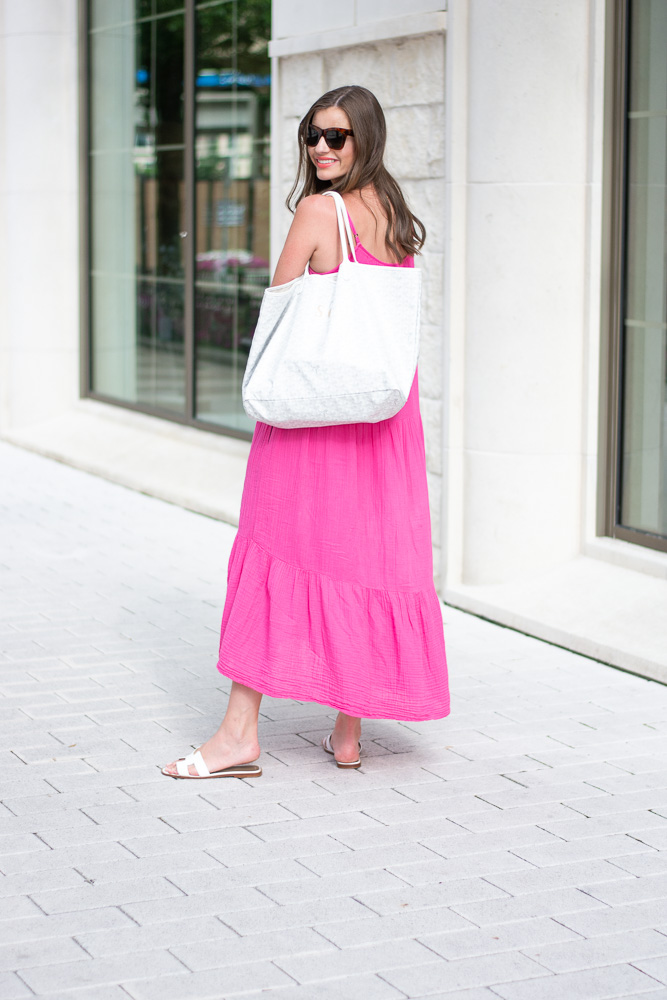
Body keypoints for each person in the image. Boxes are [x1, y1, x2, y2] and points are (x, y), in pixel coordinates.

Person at [162, 85, 450, 780]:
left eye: (336, 138)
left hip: (314, 418)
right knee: (364, 555)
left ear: (364, 141)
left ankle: (238, 735)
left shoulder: (320, 211)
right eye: (311, 136)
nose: (320, 149)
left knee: (275, 546)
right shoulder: (394, 213)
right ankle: (347, 736)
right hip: (380, 417)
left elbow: (283, 300)